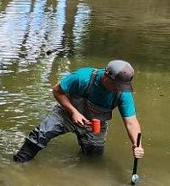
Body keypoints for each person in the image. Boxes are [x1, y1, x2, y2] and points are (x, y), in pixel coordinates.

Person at [13, 59, 145, 163]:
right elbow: (57, 91)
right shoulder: (82, 77)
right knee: (41, 134)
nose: (119, 89)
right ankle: (18, 165)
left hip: (95, 125)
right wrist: (73, 112)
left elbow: (131, 122)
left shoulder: (123, 93)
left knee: (93, 159)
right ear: (106, 76)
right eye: (116, 85)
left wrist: (137, 145)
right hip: (66, 114)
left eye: (122, 86)